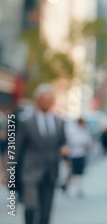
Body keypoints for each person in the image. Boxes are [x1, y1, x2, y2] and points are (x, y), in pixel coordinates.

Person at [17, 84, 68, 224]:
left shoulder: (59, 122)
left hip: (51, 171)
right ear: (37, 101)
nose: (45, 102)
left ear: (52, 101)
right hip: (30, 171)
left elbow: (63, 142)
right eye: (42, 99)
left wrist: (64, 149)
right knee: (31, 206)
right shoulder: (26, 122)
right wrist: (9, 172)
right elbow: (16, 148)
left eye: (48, 99)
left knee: (46, 212)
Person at [62, 118, 92, 197]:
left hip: (81, 153)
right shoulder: (72, 130)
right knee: (70, 172)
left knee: (79, 173)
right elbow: (70, 141)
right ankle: (67, 187)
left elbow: (89, 141)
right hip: (72, 154)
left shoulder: (85, 130)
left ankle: (79, 189)